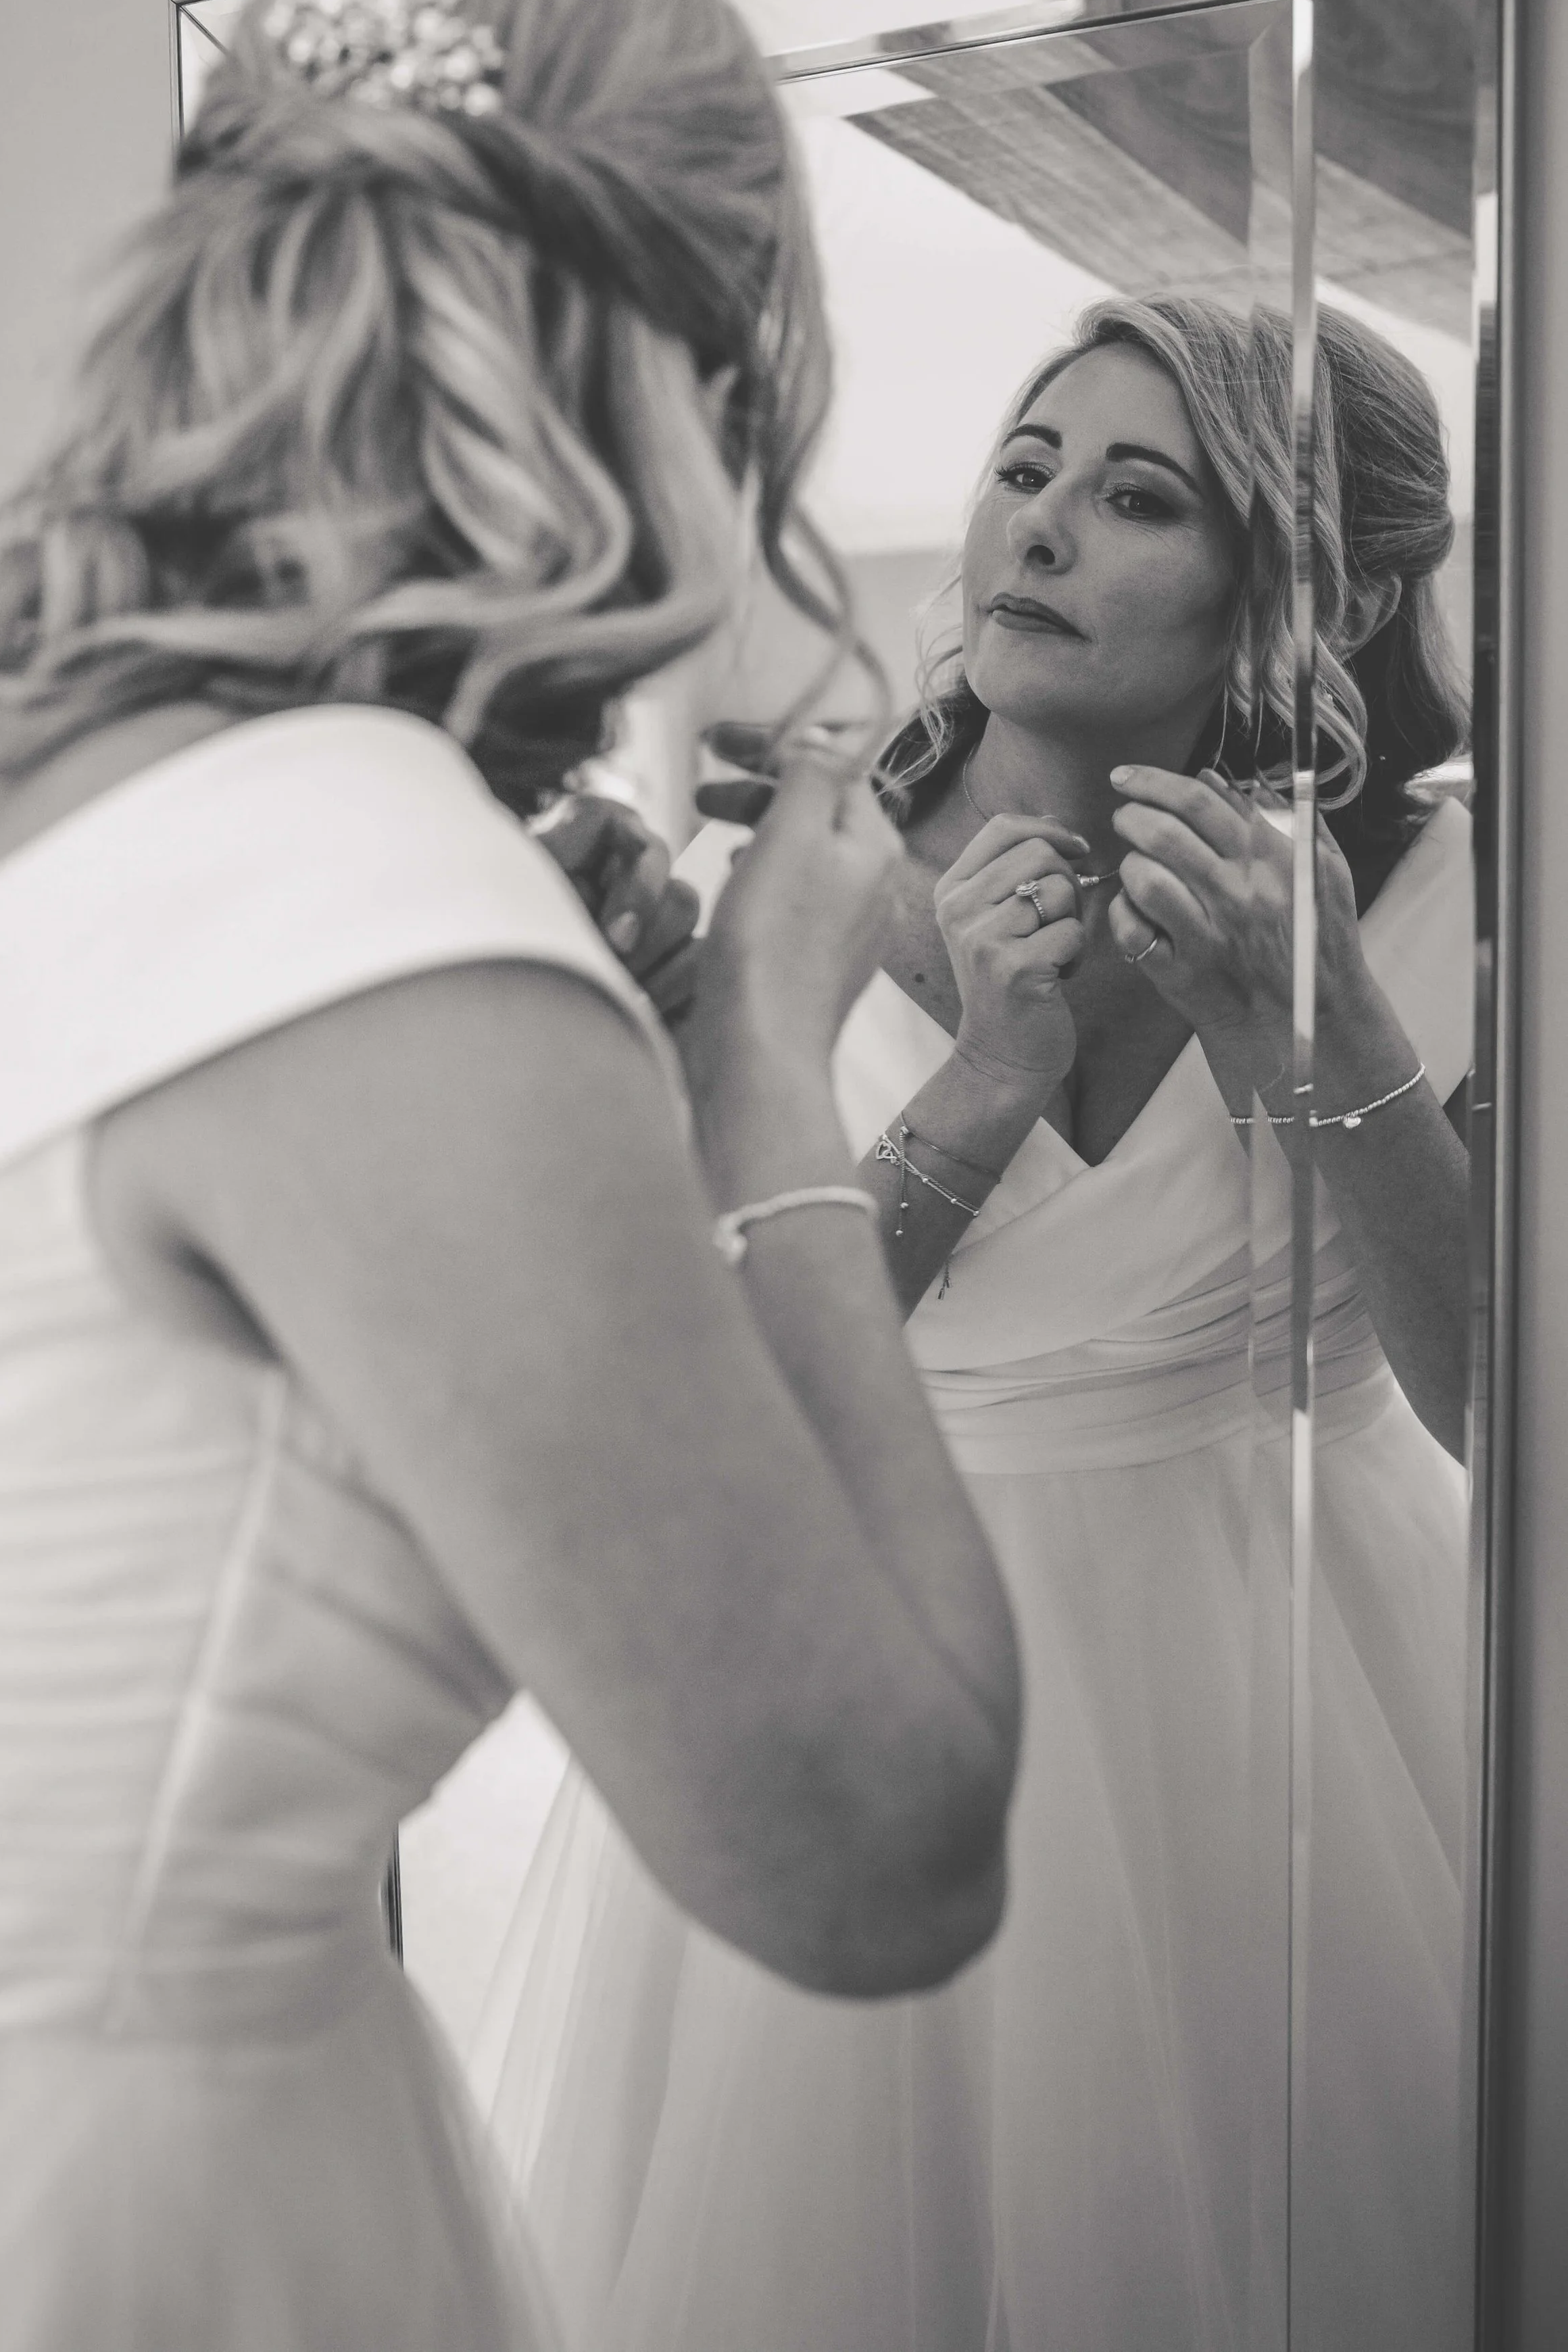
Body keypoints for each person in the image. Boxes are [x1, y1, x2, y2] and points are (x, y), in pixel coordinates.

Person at [0, 0, 1026, 2352]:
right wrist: (761, 1062)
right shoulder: (363, 897)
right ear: (679, 371)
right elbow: (881, 1849)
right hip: (123, 2230)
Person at [478, 294, 1474, 2352]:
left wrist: (1335, 1039)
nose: (1032, 533)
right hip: (875, 1684)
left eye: (1133, 497)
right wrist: (980, 1084)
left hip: (1311, 1717)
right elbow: (707, 1424)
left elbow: (1491, 1407)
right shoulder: (778, 874)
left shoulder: (1451, 899)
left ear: (1323, 585)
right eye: (1023, 469)